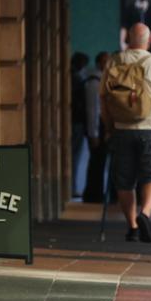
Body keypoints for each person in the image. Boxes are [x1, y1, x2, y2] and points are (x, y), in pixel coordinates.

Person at [101, 23, 151, 242]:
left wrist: (109, 128)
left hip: (121, 129)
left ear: (127, 38)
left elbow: (104, 100)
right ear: (148, 40)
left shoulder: (113, 62)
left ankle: (132, 226)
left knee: (124, 180)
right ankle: (145, 213)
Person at [82, 51, 110, 204]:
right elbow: (93, 110)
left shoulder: (102, 81)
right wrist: (93, 134)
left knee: (100, 162)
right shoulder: (95, 83)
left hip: (101, 127)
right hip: (97, 128)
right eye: (106, 61)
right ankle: (93, 194)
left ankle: (96, 192)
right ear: (100, 63)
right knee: (97, 162)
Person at [70, 52, 91, 198]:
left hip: (73, 120)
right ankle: (71, 187)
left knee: (74, 155)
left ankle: (71, 187)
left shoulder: (72, 77)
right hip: (77, 121)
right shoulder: (78, 79)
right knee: (74, 155)